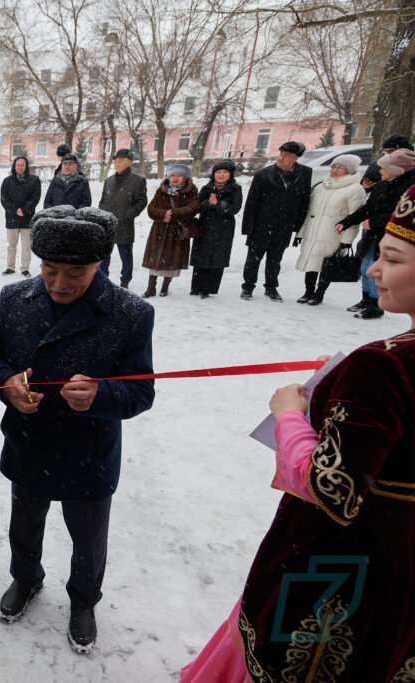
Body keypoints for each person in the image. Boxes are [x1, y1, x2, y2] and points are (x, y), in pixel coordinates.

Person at [181, 186, 415, 683]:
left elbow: (333, 486)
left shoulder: (385, 365)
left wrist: (289, 412)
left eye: (391, 259)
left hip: (342, 567)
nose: (372, 269)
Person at [0, 205, 155, 654]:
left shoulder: (131, 313)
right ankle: (25, 579)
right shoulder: (14, 298)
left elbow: (141, 392)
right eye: (49, 269)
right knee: (24, 525)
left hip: (89, 449)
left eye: (75, 273)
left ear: (100, 264)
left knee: (88, 538)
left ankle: (84, 600)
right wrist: (7, 385)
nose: (59, 283)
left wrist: (101, 395)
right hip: (29, 440)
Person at [336, 148, 415, 319]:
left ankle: (376, 304)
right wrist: (346, 221)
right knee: (366, 267)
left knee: (377, 269)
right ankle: (366, 299)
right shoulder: (381, 185)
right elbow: (368, 209)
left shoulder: (408, 190)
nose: (380, 171)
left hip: (389, 238)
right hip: (372, 235)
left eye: (384, 168)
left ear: (395, 171)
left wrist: (375, 222)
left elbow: (401, 215)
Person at [240, 141, 312, 302]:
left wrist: (298, 227)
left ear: (295, 158)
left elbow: (304, 201)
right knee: (253, 259)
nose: (281, 158)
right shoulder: (263, 174)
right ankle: (248, 287)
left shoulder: (305, 173)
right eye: (280, 154)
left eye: (285, 155)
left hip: (284, 226)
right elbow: (251, 203)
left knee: (275, 259)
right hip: (261, 224)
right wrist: (248, 227)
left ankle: (271, 287)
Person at [293, 154, 366, 305]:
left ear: (350, 170)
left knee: (327, 265)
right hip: (313, 232)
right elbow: (309, 212)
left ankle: (319, 293)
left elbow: (354, 218)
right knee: (311, 262)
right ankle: (308, 291)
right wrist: (300, 233)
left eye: (340, 167)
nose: (335, 170)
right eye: (333, 166)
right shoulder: (321, 186)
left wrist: (347, 241)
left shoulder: (355, 189)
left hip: (334, 234)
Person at [142, 163, 200, 298]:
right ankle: (151, 288)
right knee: (154, 259)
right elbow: (151, 209)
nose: (175, 178)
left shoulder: (191, 190)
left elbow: (194, 208)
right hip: (159, 230)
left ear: (185, 178)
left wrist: (173, 214)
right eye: (172, 175)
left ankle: (165, 286)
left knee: (172, 260)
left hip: (177, 231)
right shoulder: (161, 190)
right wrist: (163, 215)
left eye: (179, 175)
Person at [189, 160, 242, 299]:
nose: (221, 175)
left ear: (230, 175)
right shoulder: (206, 188)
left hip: (223, 228)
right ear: (213, 174)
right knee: (201, 256)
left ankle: (208, 288)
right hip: (205, 226)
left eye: (224, 172)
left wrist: (219, 205)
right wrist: (208, 203)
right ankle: (196, 287)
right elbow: (198, 206)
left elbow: (235, 208)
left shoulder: (235, 189)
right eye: (218, 172)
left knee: (217, 258)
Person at [98, 148, 148, 288]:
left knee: (125, 255)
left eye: (120, 161)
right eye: (115, 161)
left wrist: (129, 215)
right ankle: (103, 279)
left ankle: (125, 281)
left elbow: (142, 201)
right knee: (104, 255)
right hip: (107, 223)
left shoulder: (138, 180)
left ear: (129, 162)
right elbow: (102, 201)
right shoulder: (109, 181)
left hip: (124, 224)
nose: (117, 163)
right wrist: (101, 214)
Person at [0, 155, 42, 277]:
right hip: (11, 218)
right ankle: (10, 267)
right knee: (11, 245)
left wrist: (24, 210)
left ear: (26, 166)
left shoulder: (34, 180)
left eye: (22, 165)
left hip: (27, 218)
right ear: (14, 166)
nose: (20, 167)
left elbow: (35, 198)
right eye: (18, 165)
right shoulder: (7, 181)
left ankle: (25, 268)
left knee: (26, 246)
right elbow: (4, 199)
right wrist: (15, 210)